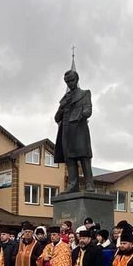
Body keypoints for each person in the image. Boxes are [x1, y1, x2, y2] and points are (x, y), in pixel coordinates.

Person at [53, 61, 95, 192]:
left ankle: (89, 184)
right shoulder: (64, 99)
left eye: (71, 80)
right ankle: (72, 185)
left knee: (84, 158)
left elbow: (88, 110)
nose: (69, 83)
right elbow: (56, 118)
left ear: (77, 79)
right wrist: (62, 106)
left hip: (79, 130)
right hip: (66, 131)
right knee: (70, 160)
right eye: (67, 82)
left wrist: (82, 113)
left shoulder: (85, 93)